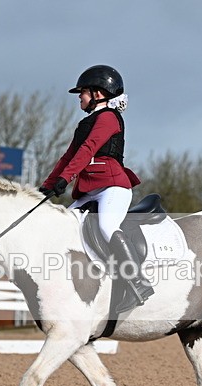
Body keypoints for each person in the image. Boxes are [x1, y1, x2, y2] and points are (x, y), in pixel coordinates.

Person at [39, 64, 153, 313]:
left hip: (113, 187)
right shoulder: (86, 122)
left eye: (83, 92)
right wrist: (47, 186)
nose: (79, 97)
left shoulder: (108, 118)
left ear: (98, 94)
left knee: (106, 226)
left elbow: (88, 149)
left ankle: (138, 282)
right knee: (64, 225)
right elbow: (68, 156)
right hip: (90, 190)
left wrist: (65, 179)